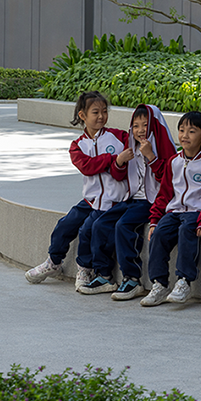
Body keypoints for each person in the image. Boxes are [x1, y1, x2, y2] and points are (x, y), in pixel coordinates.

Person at [26, 91, 132, 289]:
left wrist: (117, 163)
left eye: (104, 111)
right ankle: (53, 262)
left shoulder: (119, 137)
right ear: (82, 115)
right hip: (91, 201)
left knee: (87, 231)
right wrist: (113, 160)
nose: (101, 116)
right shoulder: (77, 146)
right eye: (95, 112)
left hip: (114, 202)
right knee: (65, 225)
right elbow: (87, 166)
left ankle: (85, 269)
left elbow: (122, 170)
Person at [80, 104, 176, 300]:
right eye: (136, 125)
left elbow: (168, 180)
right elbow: (118, 175)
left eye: (145, 125)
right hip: (131, 198)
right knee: (101, 223)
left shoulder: (161, 147)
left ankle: (132, 279)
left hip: (152, 201)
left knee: (124, 225)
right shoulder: (131, 145)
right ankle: (104, 275)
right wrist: (119, 162)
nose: (140, 130)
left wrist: (151, 157)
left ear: (155, 126)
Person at [142, 111, 201, 307]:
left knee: (187, 231)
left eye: (192, 131)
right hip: (175, 211)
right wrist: (155, 219)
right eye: (181, 130)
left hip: (197, 212)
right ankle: (159, 284)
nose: (185, 135)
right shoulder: (174, 162)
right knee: (159, 234)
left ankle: (184, 281)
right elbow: (165, 193)